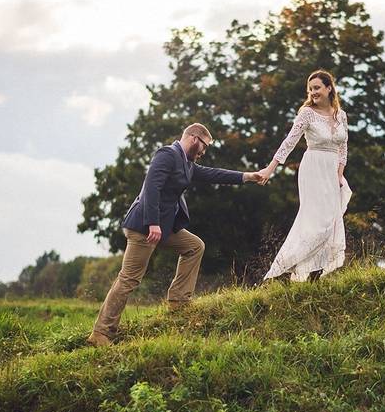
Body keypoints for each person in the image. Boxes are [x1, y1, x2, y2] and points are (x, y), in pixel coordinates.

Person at [87, 123, 265, 346]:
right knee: (129, 279)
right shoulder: (167, 155)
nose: (204, 152)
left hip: (163, 227)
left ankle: (179, 300)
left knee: (194, 246)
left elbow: (213, 174)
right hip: (144, 227)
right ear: (193, 138)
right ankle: (101, 333)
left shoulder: (188, 164)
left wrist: (248, 176)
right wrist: (152, 223)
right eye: (204, 146)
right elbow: (152, 188)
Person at [256, 69, 351, 281]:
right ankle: (284, 267)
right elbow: (289, 142)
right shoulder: (307, 113)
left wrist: (339, 175)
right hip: (313, 168)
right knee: (315, 221)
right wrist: (270, 169)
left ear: (329, 88)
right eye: (310, 89)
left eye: (317, 88)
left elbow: (343, 149)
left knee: (331, 221)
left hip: (332, 171)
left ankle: (315, 274)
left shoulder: (341, 116)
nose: (313, 92)